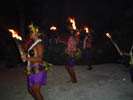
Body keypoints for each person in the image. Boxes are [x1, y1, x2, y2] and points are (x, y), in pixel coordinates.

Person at [21, 24, 46, 100]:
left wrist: (27, 58)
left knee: (36, 92)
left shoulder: (39, 44)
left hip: (37, 70)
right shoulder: (34, 43)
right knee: (30, 90)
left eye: (31, 32)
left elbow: (40, 59)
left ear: (36, 33)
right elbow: (33, 54)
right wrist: (26, 54)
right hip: (31, 69)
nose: (29, 33)